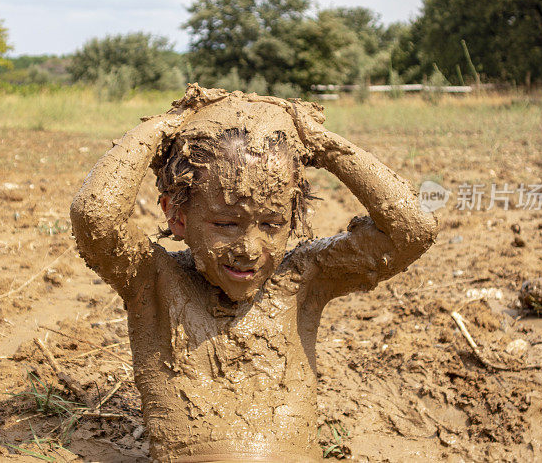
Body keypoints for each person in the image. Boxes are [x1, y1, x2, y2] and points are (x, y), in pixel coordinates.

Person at [70, 84, 438, 462]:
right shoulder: (153, 282)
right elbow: (96, 215)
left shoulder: (302, 281)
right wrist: (167, 125)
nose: (248, 249)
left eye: (272, 225)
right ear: (176, 215)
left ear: (294, 218)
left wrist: (320, 142)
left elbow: (412, 229)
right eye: (226, 224)